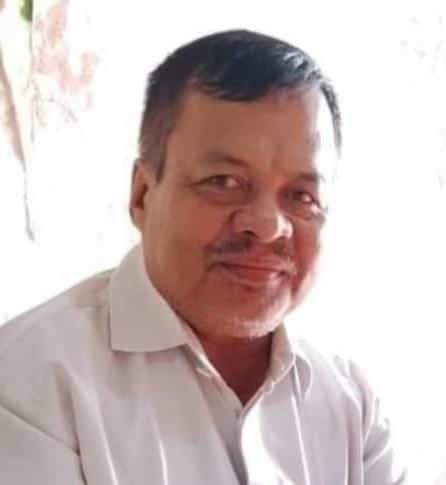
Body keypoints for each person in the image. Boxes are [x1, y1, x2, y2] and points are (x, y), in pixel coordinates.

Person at [0, 30, 406, 484]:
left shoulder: (351, 402)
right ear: (142, 193)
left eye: (301, 195)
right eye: (224, 182)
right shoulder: (29, 382)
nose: (267, 225)